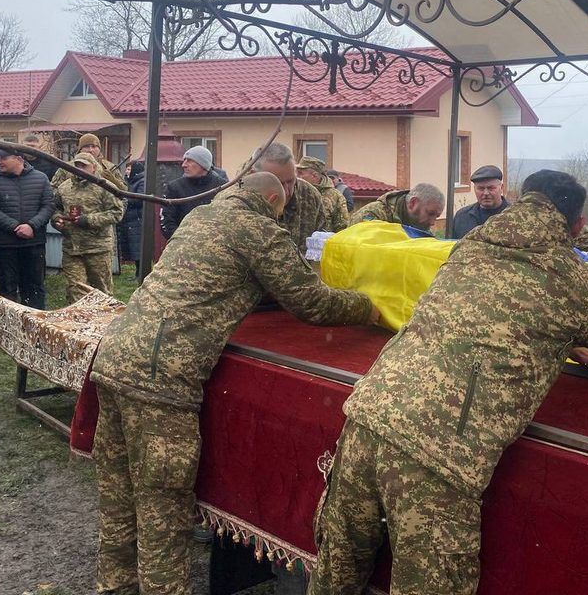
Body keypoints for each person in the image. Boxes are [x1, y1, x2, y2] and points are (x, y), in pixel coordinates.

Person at [307, 170, 588, 595]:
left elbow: (491, 319)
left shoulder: (471, 246)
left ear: (521, 199)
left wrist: (563, 339)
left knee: (336, 575)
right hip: (437, 455)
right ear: (579, 225)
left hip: (367, 417)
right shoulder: (571, 280)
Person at [90, 171, 379, 595]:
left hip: (114, 357)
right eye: (284, 207)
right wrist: (368, 309)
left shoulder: (202, 216)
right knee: (162, 511)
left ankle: (114, 587)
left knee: (118, 496)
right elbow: (310, 300)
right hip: (160, 379)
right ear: (271, 199)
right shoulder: (259, 230)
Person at [0, 147, 54, 309]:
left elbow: (48, 206)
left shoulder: (41, 178)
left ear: (19, 159)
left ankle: (35, 325)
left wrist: (31, 225)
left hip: (34, 243)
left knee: (34, 287)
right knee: (7, 289)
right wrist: (15, 227)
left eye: (3, 158)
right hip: (6, 245)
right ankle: (10, 327)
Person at [52, 153, 124, 302]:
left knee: (102, 291)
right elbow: (56, 209)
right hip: (72, 248)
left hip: (98, 248)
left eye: (84, 165)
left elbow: (117, 213)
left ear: (93, 167)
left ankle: (104, 323)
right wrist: (56, 220)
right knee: (75, 289)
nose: (80, 168)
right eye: (77, 165)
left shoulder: (105, 187)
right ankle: (79, 322)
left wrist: (88, 220)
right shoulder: (64, 188)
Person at [252, 142, 326, 253]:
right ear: (255, 176)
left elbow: (321, 245)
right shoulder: (238, 202)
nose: (287, 191)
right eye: (278, 183)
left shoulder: (310, 196)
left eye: (291, 181)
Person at [160, 146, 226, 239]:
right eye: (184, 160)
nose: (184, 165)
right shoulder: (174, 188)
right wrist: (182, 241)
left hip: (216, 246)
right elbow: (167, 221)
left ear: (203, 164)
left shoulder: (223, 187)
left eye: (190, 160)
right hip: (182, 246)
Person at [348, 182, 444, 233]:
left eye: (436, 216)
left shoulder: (422, 226)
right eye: (430, 213)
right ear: (413, 203)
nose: (432, 222)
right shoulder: (372, 215)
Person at [450, 164, 509, 239]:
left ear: (501, 188)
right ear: (474, 189)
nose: (486, 193)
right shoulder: (462, 217)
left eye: (491, 188)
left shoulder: (514, 216)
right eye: (481, 188)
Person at [53, 133, 126, 192]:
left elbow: (125, 191)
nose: (90, 150)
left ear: (99, 149)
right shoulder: (67, 168)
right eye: (87, 147)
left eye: (94, 146)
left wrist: (113, 181)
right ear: (80, 149)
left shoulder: (108, 167)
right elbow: (54, 189)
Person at [297, 155, 349, 233]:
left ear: (314, 175)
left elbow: (342, 227)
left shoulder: (335, 196)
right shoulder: (293, 191)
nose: (297, 176)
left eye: (300, 173)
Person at [120, 160, 145, 279]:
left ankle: (140, 274)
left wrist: (124, 199)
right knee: (133, 247)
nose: (126, 171)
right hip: (129, 219)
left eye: (129, 169)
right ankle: (137, 274)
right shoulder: (128, 182)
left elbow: (139, 199)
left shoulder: (142, 182)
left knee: (138, 248)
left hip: (137, 219)